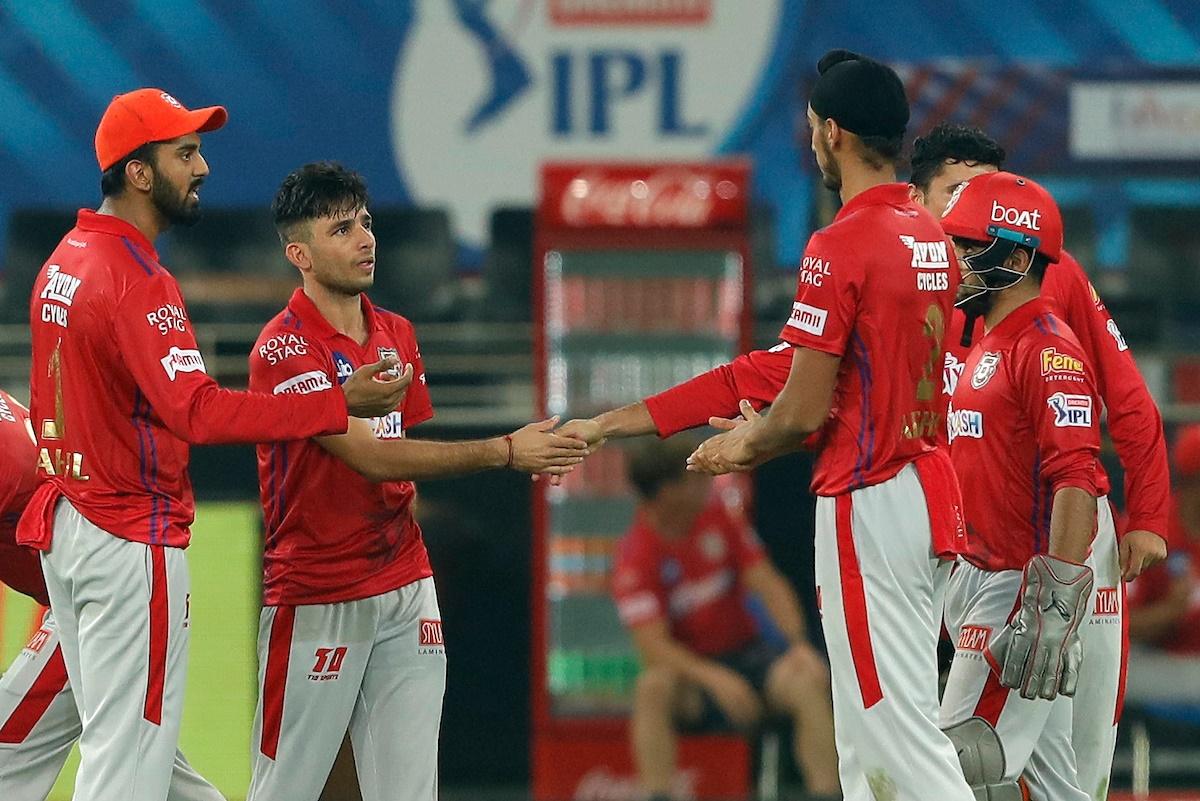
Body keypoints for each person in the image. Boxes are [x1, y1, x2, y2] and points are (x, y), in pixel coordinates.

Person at [16, 89, 409, 801]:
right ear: (139, 172)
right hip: (129, 535)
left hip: (71, 528)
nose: (202, 168)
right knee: (127, 760)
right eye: (185, 153)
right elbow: (196, 412)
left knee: (134, 745)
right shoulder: (137, 279)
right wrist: (335, 402)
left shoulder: (64, 261)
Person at [625, 49, 974, 800]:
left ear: (834, 134)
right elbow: (808, 375)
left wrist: (737, 444)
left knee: (890, 728)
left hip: (869, 495)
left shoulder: (840, 242)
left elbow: (803, 410)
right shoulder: (932, 236)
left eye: (814, 126)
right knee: (882, 728)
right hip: (928, 490)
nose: (812, 139)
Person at [244, 162, 587, 801]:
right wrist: (507, 451)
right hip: (317, 595)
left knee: (409, 790)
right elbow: (372, 458)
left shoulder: (397, 333)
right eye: (341, 229)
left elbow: (403, 447)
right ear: (300, 254)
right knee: (285, 789)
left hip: (405, 587)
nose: (365, 239)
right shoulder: (282, 349)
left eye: (366, 223)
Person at [908, 123, 1169, 799]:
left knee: (993, 757)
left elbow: (1098, 438)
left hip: (1044, 550)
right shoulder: (915, 276)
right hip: (964, 544)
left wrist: (1147, 515)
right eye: (954, 200)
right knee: (1048, 775)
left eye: (973, 215)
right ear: (918, 196)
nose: (957, 244)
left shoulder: (1045, 319)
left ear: (1014, 248)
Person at [937, 171, 1107, 801]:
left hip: (1018, 584)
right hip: (977, 578)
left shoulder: (1047, 349)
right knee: (1051, 779)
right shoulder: (988, 342)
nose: (952, 263)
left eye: (965, 247)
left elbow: (1076, 478)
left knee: (961, 759)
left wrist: (1052, 602)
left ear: (1014, 256)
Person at [611, 437, 840, 801]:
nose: (709, 483)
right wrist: (716, 679)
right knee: (652, 688)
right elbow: (653, 647)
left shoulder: (719, 519)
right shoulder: (634, 556)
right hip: (695, 678)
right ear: (668, 491)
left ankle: (827, 793)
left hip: (751, 658)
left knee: (806, 680)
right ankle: (658, 795)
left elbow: (768, 584)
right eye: (696, 478)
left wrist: (798, 646)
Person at [1129, 425, 1200, 652]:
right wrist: (1170, 611)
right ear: (1191, 482)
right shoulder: (1148, 533)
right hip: (1159, 672)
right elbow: (1118, 626)